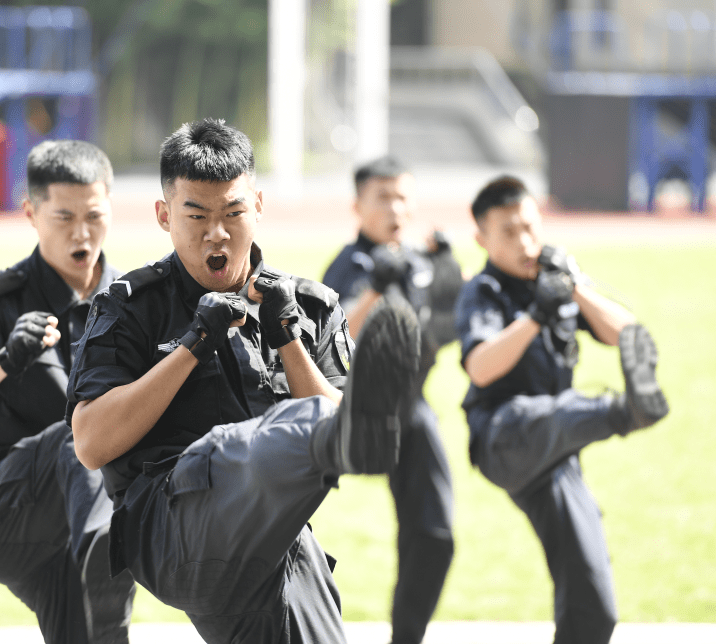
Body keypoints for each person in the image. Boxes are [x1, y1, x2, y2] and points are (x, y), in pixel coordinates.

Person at [67, 118, 421, 643]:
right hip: (169, 526)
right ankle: (342, 426)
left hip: (273, 533)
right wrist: (191, 347)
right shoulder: (129, 305)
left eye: (233, 213)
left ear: (257, 206)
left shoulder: (310, 307)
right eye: (197, 215)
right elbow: (91, 444)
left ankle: (344, 425)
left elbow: (337, 447)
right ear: (165, 216)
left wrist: (287, 339)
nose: (217, 232)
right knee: (235, 450)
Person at [0, 140, 135, 644]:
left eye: (95, 216)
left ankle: (104, 567)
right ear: (31, 214)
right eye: (63, 218)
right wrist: (3, 361)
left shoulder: (133, 300)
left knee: (95, 634)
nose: (82, 233)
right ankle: (108, 556)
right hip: (2, 512)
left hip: (85, 520)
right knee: (80, 435)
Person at [454, 176, 669, 644]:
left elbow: (627, 334)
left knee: (594, 605)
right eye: (508, 233)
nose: (525, 242)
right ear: (481, 239)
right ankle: (624, 412)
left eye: (531, 227)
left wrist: (573, 289)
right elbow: (480, 368)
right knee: (551, 410)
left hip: (558, 453)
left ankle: (623, 410)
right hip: (504, 437)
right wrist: (534, 316)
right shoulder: (483, 291)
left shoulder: (557, 281)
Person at [322, 156, 461, 644]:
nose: (395, 207)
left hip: (409, 410)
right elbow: (332, 343)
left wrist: (447, 275)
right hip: (346, 411)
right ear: (358, 206)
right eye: (383, 197)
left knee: (435, 535)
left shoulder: (417, 263)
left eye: (403, 196)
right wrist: (377, 287)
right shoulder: (349, 265)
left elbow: (445, 334)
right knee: (286, 531)